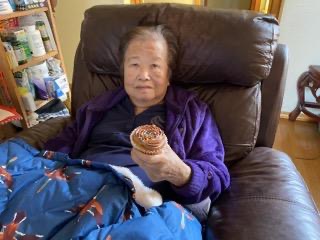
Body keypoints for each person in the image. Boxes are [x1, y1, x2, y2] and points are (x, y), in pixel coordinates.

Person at [44, 24, 230, 220]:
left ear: (169, 74)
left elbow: (218, 176)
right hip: (77, 189)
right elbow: (57, 150)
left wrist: (180, 172)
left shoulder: (193, 113)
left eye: (155, 66)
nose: (143, 75)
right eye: (134, 64)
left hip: (142, 208)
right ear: (123, 70)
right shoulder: (96, 107)